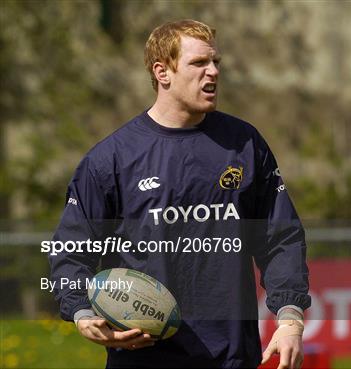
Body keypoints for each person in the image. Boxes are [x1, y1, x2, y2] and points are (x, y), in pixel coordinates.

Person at [48, 19, 310, 369]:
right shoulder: (111, 159)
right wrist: (82, 312)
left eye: (216, 62)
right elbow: (71, 250)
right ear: (162, 72)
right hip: (143, 359)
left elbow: (281, 238)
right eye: (199, 63)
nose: (213, 72)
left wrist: (290, 318)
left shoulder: (244, 144)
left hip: (232, 358)